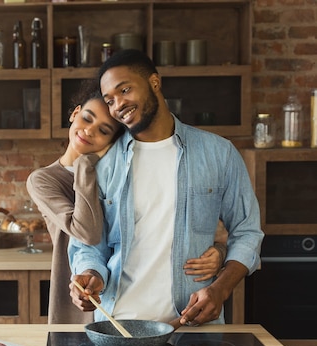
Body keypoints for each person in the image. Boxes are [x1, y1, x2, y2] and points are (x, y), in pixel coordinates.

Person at [68, 49, 263, 328]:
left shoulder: (219, 153)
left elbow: (248, 232)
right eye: (110, 100)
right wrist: (90, 275)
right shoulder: (103, 165)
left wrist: (221, 289)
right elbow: (89, 245)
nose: (118, 105)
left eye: (125, 90)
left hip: (193, 326)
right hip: (120, 325)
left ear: (154, 83)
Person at [27, 80, 226, 324]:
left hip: (125, 297)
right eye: (87, 119)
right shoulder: (45, 180)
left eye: (104, 131)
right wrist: (85, 164)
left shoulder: (121, 175)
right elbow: (87, 232)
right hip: (79, 291)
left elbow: (208, 229)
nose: (89, 131)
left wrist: (219, 252)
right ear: (75, 113)